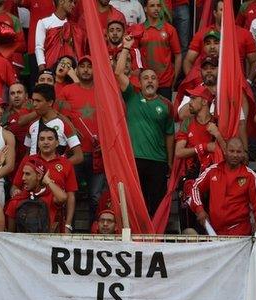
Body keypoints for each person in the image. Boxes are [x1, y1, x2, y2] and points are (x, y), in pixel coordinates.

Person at [116, 38, 174, 216]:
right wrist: (126, 47)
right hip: (134, 160)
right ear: (139, 83)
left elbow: (169, 135)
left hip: (158, 162)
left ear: (158, 83)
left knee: (156, 206)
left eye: (153, 78)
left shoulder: (166, 105)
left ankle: (155, 240)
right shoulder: (132, 97)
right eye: (146, 78)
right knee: (136, 204)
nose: (150, 81)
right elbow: (118, 73)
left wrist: (170, 163)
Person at [56, 55, 105, 218]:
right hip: (74, 153)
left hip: (98, 153)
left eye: (89, 66)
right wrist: (71, 127)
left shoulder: (103, 91)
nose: (85, 69)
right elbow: (60, 116)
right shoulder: (67, 91)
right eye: (82, 66)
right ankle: (70, 229)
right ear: (76, 70)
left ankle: (95, 230)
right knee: (71, 195)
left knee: (95, 196)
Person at [174, 84, 225, 232]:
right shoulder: (188, 122)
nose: (189, 102)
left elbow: (228, 150)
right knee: (188, 229)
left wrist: (218, 135)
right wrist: (203, 147)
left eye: (193, 98)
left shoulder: (217, 122)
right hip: (188, 179)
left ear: (204, 101)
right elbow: (179, 152)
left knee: (208, 226)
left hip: (211, 181)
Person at [190, 138, 256, 235]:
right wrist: (199, 210)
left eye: (238, 152)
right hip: (214, 232)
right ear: (225, 151)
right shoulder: (213, 170)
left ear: (243, 154)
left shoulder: (250, 176)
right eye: (231, 151)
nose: (235, 155)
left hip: (240, 234)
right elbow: (194, 188)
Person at [13, 127, 78, 232]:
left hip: (55, 219)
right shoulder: (28, 160)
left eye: (50, 139)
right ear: (38, 143)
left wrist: (68, 225)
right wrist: (15, 192)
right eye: (42, 139)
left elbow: (70, 196)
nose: (45, 142)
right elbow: (15, 186)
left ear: (57, 143)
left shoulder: (66, 164)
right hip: (28, 218)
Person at [184, 0, 256, 80]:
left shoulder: (245, 34)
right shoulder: (202, 34)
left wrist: (249, 81)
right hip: (208, 87)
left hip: (235, 86)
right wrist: (196, 83)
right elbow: (188, 61)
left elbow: (254, 61)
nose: (226, 13)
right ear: (215, 13)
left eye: (228, 11)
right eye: (222, 10)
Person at [24, 84, 83, 165]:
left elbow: (79, 156)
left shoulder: (63, 124)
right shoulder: (32, 124)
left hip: (55, 176)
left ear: (50, 102)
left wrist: (57, 168)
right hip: (34, 175)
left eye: (38, 101)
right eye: (33, 100)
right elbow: (28, 154)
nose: (34, 104)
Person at [4, 157, 69, 232]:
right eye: (23, 174)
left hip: (47, 241)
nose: (23, 178)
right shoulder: (16, 201)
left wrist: (48, 181)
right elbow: (11, 234)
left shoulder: (50, 196)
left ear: (39, 176)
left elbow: (63, 198)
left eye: (27, 174)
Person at [135, 0, 182, 100]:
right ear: (145, 9)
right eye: (152, 6)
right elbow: (135, 56)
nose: (156, 8)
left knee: (165, 113)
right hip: (145, 81)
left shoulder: (170, 29)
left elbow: (178, 55)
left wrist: (174, 79)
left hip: (165, 82)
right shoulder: (139, 29)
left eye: (158, 6)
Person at [35, 0, 76, 71]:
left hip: (70, 68)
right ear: (61, 2)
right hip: (51, 66)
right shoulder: (44, 22)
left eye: (74, 3)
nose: (73, 5)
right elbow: (39, 47)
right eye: (70, 1)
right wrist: (42, 67)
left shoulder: (73, 26)